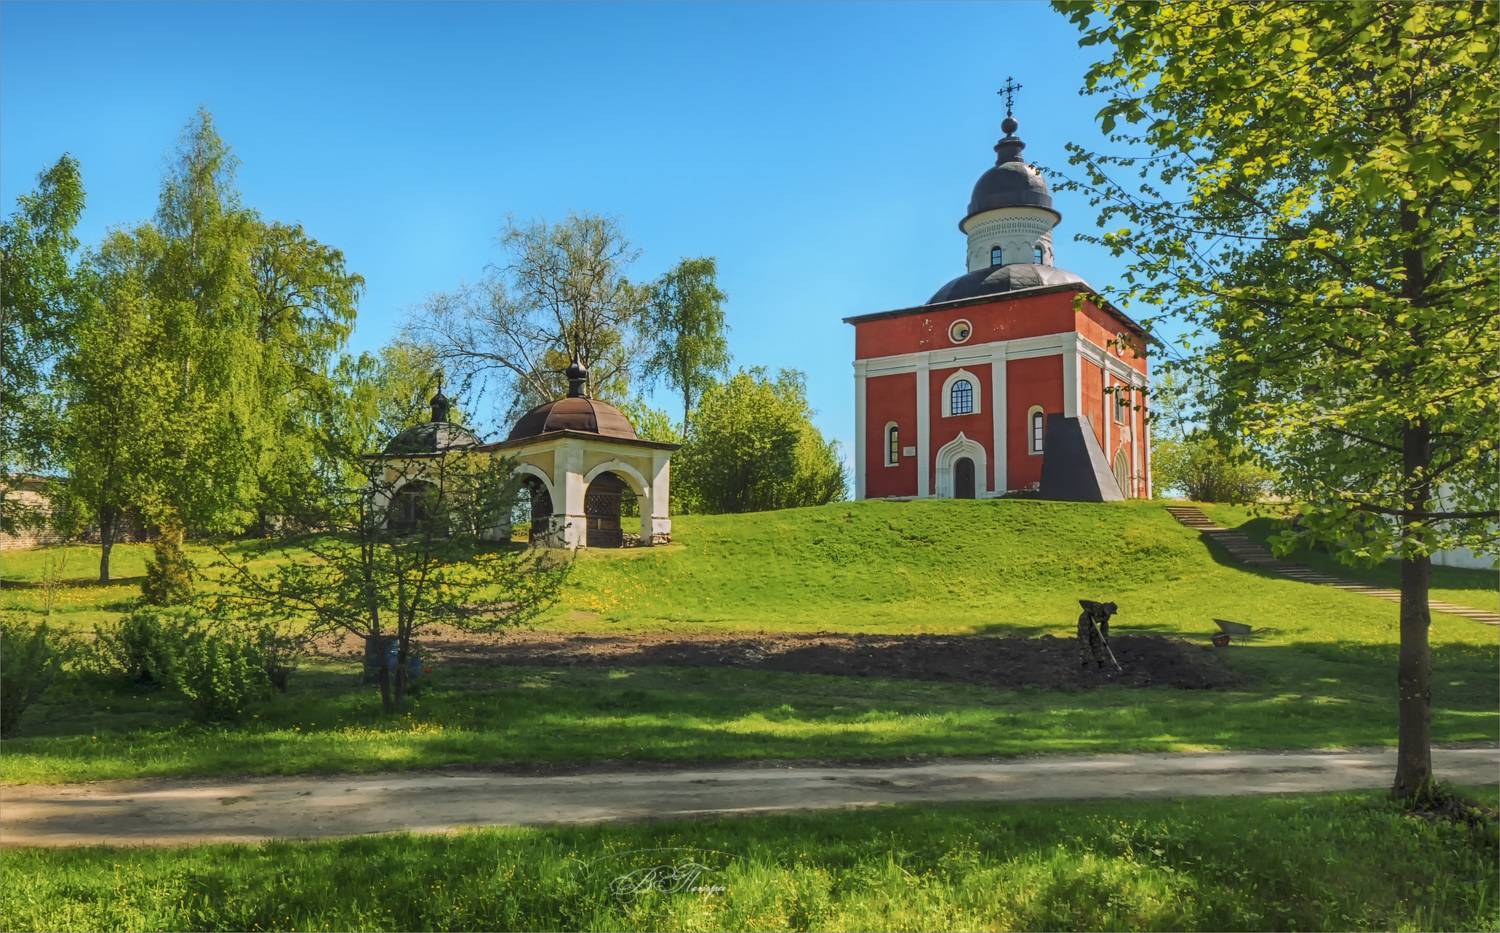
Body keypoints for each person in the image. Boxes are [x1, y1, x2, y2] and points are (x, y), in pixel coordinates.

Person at [1077, 599, 1118, 669]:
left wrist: (1104, 638)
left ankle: (1100, 661)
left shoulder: (1107, 616)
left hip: (1094, 625)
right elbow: (1081, 602)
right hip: (1085, 621)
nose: (1109, 613)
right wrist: (1090, 611)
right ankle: (1085, 662)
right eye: (1110, 611)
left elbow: (1104, 628)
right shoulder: (1096, 606)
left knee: (1096, 642)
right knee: (1085, 641)